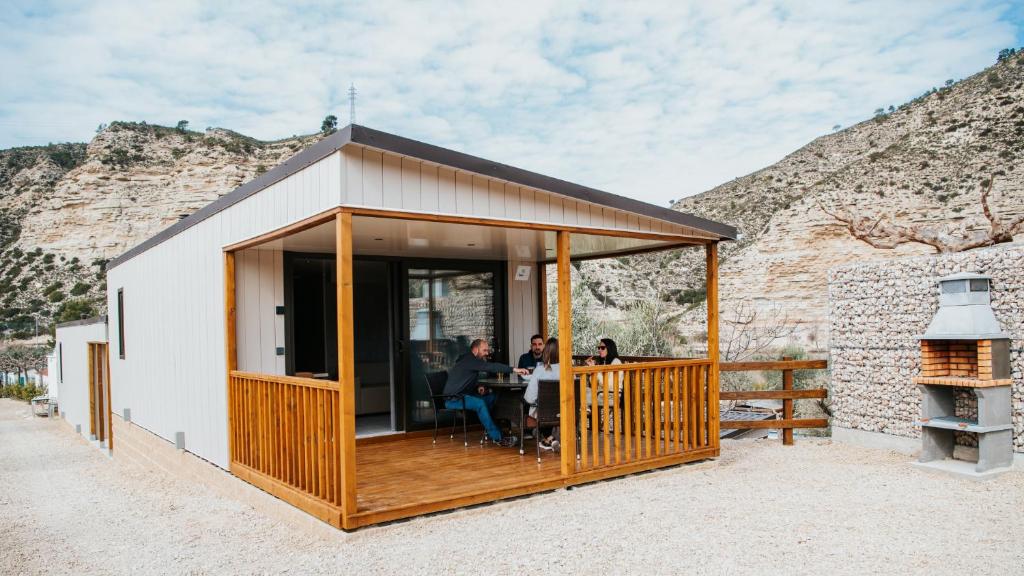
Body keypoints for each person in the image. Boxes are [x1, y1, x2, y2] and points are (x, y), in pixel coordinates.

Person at [443, 338, 528, 447]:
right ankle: (498, 438)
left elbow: (464, 378)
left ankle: (491, 429)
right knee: (480, 404)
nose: (487, 353)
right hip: (453, 399)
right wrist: (515, 370)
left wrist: (478, 387)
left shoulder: (468, 359)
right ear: (475, 349)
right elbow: (491, 367)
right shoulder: (470, 360)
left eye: (487, 351)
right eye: (485, 351)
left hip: (462, 395)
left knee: (492, 398)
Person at [523, 338, 560, 450]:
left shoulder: (539, 370)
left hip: (544, 414)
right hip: (563, 411)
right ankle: (548, 439)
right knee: (548, 406)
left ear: (546, 351)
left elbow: (529, 398)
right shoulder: (568, 370)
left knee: (533, 405)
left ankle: (549, 438)